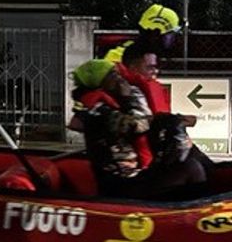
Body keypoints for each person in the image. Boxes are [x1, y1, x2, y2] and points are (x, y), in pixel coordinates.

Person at [70, 59, 206, 200]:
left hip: (135, 177)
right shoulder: (97, 110)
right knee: (191, 168)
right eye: (113, 75)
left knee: (191, 157)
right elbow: (137, 125)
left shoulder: (110, 105)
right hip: (120, 186)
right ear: (100, 82)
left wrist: (175, 120)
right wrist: (129, 98)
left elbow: (145, 120)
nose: (120, 78)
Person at [104, 4, 181, 69]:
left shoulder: (159, 58)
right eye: (171, 34)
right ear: (155, 34)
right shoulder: (117, 58)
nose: (174, 38)